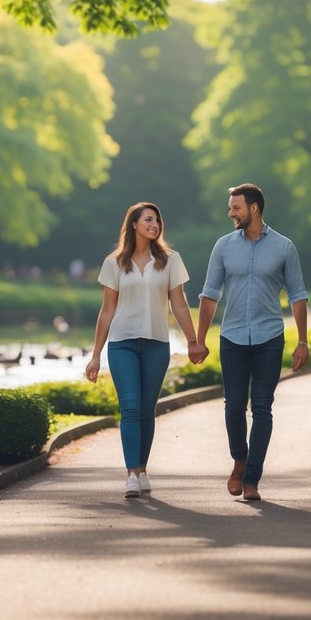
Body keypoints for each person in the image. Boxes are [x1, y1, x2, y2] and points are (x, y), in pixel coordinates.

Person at [196, 183, 308, 502]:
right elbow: (210, 293)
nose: (230, 212)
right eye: (231, 207)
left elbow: (298, 295)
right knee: (233, 406)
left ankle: (252, 479)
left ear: (254, 208)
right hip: (232, 337)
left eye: (236, 207)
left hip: (269, 337)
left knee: (262, 407)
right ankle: (239, 461)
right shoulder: (223, 246)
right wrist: (199, 339)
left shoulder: (285, 247)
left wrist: (302, 341)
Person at [86, 202, 206, 498]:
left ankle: (142, 470)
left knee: (146, 410)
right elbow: (106, 310)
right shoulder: (114, 263)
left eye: (157, 220)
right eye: (148, 219)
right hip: (121, 343)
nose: (154, 224)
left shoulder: (170, 260)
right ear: (135, 224)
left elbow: (178, 303)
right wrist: (95, 354)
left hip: (156, 344)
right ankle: (131, 474)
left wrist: (193, 340)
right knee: (129, 407)